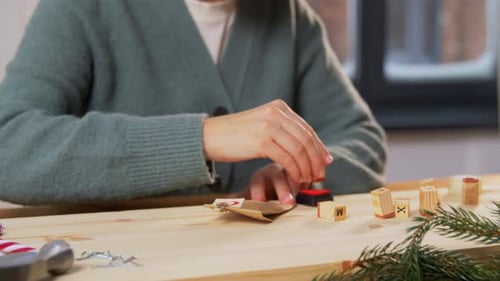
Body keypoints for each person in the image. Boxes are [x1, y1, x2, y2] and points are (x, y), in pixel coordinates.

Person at [0, 0, 386, 206]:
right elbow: (8, 146)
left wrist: (299, 172)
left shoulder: (290, 16)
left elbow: (360, 140)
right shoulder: (80, 8)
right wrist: (201, 138)